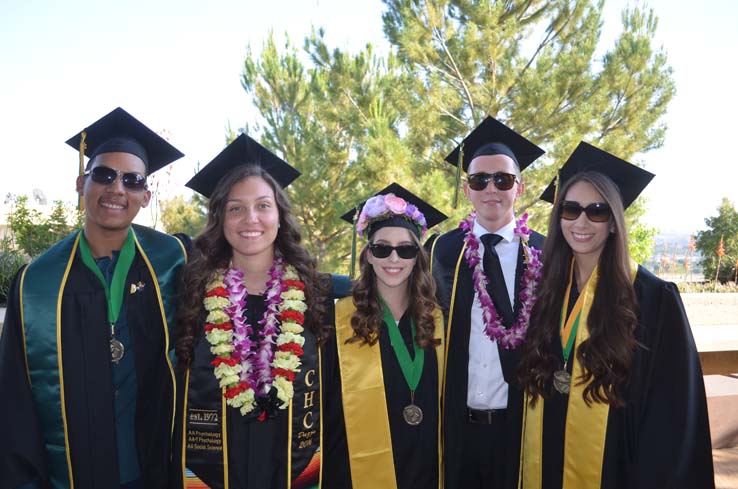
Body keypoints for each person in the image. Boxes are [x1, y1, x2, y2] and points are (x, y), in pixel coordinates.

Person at [0, 107, 188, 489]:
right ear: (80, 183)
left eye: (132, 180)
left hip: (153, 472)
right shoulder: (36, 284)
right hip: (70, 476)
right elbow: (14, 407)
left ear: (145, 195)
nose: (117, 189)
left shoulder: (173, 262)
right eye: (104, 174)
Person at [517, 142, 714, 489]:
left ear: (613, 222)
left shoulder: (652, 298)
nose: (581, 221)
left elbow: (672, 415)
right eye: (570, 209)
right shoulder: (546, 290)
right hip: (547, 459)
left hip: (618, 468)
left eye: (597, 211)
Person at [171, 133, 333, 489]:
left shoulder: (317, 293)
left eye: (262, 205)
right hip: (214, 466)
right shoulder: (191, 290)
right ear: (221, 217)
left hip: (291, 463)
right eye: (236, 208)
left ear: (279, 215)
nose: (251, 219)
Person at [427, 116, 545, 489]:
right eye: (480, 180)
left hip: (522, 425)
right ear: (467, 189)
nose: (491, 189)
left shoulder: (545, 252)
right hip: (455, 426)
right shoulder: (440, 251)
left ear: (519, 188)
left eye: (503, 179)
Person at [323, 183, 447, 489]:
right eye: (382, 248)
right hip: (356, 470)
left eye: (405, 249)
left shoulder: (438, 318)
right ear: (368, 254)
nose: (394, 259)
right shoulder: (340, 318)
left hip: (426, 468)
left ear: (418, 256)